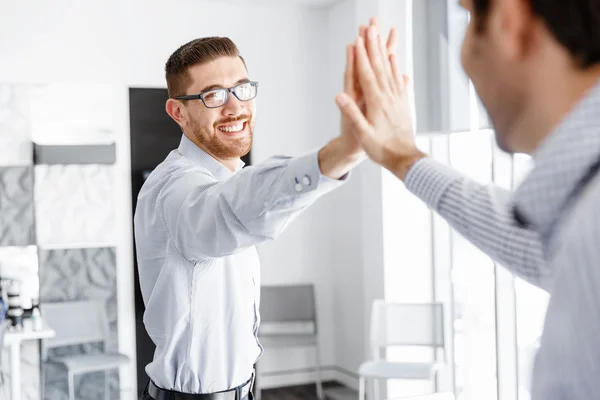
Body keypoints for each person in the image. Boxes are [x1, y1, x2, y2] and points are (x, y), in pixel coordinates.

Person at [337, 0, 600, 398]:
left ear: (511, 23)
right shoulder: (581, 216)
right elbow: (534, 244)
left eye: (468, 17)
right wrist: (403, 157)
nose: (461, 57)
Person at [134, 28, 396, 400]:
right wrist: (335, 156)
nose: (235, 107)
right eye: (213, 95)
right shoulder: (173, 189)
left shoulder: (228, 178)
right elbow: (223, 212)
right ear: (178, 111)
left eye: (242, 88)